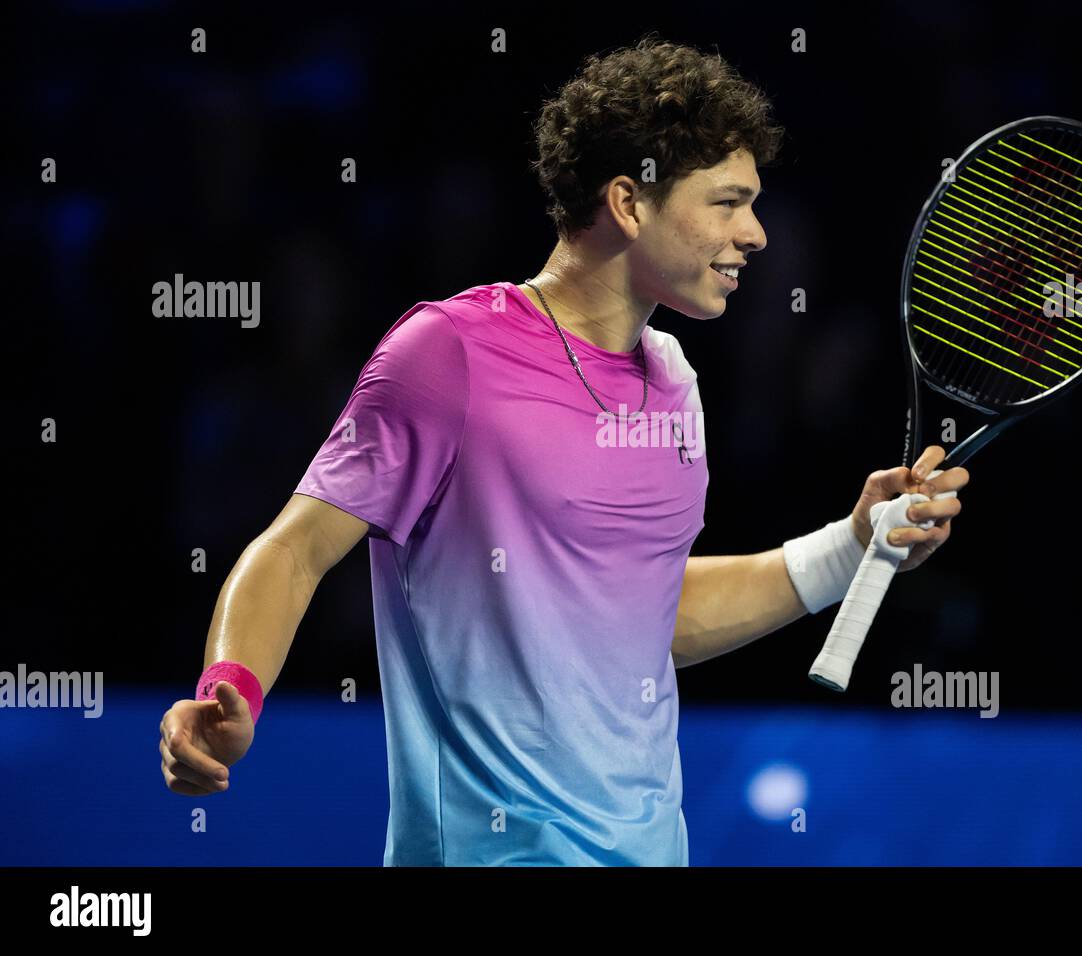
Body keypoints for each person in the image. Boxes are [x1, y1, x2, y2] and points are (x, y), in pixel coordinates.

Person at [158, 33, 968, 866]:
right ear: (629, 202)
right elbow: (294, 550)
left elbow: (643, 615)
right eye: (726, 202)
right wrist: (229, 690)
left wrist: (852, 545)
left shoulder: (674, 380)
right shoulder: (447, 352)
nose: (756, 234)